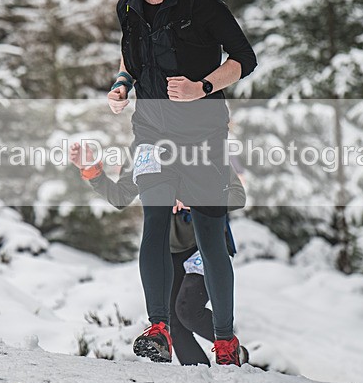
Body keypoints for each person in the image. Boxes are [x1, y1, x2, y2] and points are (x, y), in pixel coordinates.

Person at [108, 0, 258, 366]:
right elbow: (131, 56)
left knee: (210, 238)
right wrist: (121, 83)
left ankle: (226, 341)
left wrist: (203, 87)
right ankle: (158, 328)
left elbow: (244, 59)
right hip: (151, 132)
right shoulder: (127, 7)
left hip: (202, 135)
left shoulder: (202, 3)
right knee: (154, 221)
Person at [68, 142, 248, 366]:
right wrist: (91, 170)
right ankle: (202, 380)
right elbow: (120, 197)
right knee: (174, 324)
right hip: (168, 251)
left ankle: (229, 348)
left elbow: (238, 196)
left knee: (187, 310)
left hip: (204, 248)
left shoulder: (204, 145)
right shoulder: (140, 154)